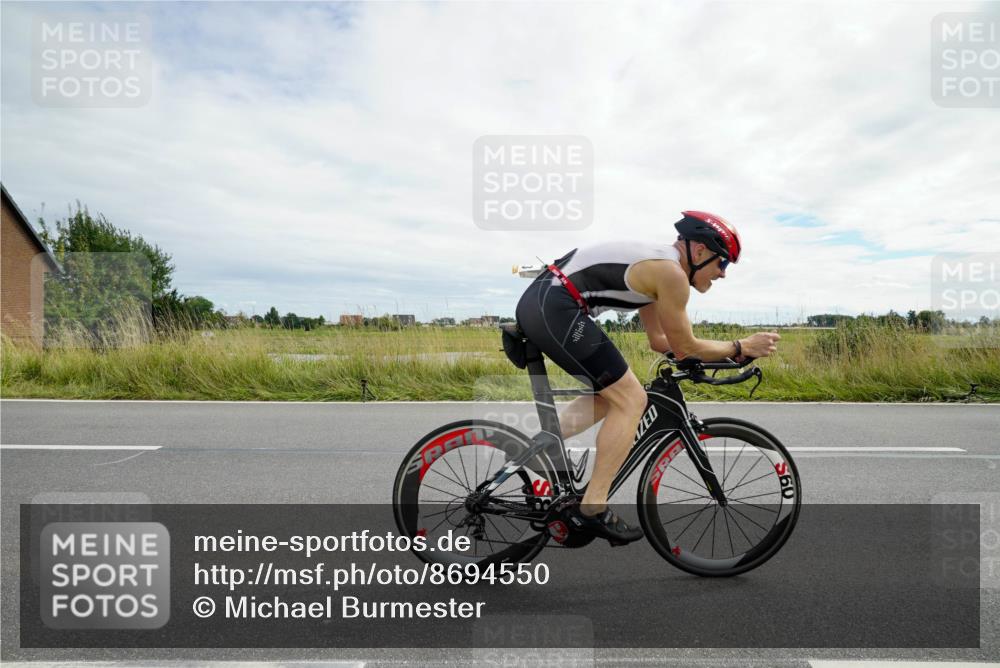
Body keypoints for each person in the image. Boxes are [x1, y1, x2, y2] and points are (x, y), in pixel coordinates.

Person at [514, 211, 781, 544]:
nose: (723, 274)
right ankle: (592, 508)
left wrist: (723, 355)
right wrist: (741, 345)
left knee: (613, 397)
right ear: (699, 251)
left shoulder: (660, 270)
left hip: (548, 302)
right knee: (632, 400)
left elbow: (661, 342)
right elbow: (685, 347)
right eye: (723, 263)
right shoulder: (671, 274)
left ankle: (537, 449)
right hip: (555, 305)